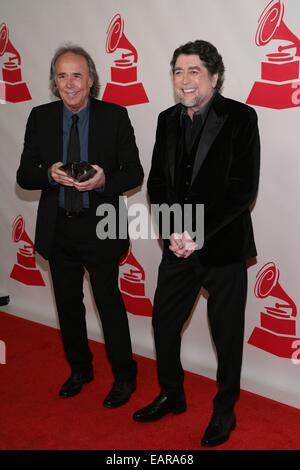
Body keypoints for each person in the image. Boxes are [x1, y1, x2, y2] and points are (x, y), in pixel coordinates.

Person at [133, 40, 260, 447]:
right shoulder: (166, 119)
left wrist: (197, 234)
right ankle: (172, 393)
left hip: (222, 248)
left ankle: (225, 411)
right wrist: (173, 231)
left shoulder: (241, 117)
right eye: (178, 72)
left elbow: (242, 192)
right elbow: (157, 183)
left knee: (226, 335)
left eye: (194, 72)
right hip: (177, 246)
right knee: (163, 322)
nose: (184, 80)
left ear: (214, 76)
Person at [17, 44, 144, 408]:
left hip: (101, 225)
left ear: (91, 80)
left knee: (109, 304)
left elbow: (134, 172)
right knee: (68, 305)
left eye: (77, 75)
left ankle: (124, 375)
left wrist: (104, 181)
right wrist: (48, 174)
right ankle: (80, 369)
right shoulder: (39, 117)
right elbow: (25, 174)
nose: (70, 83)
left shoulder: (115, 116)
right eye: (62, 76)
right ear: (54, 83)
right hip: (58, 229)